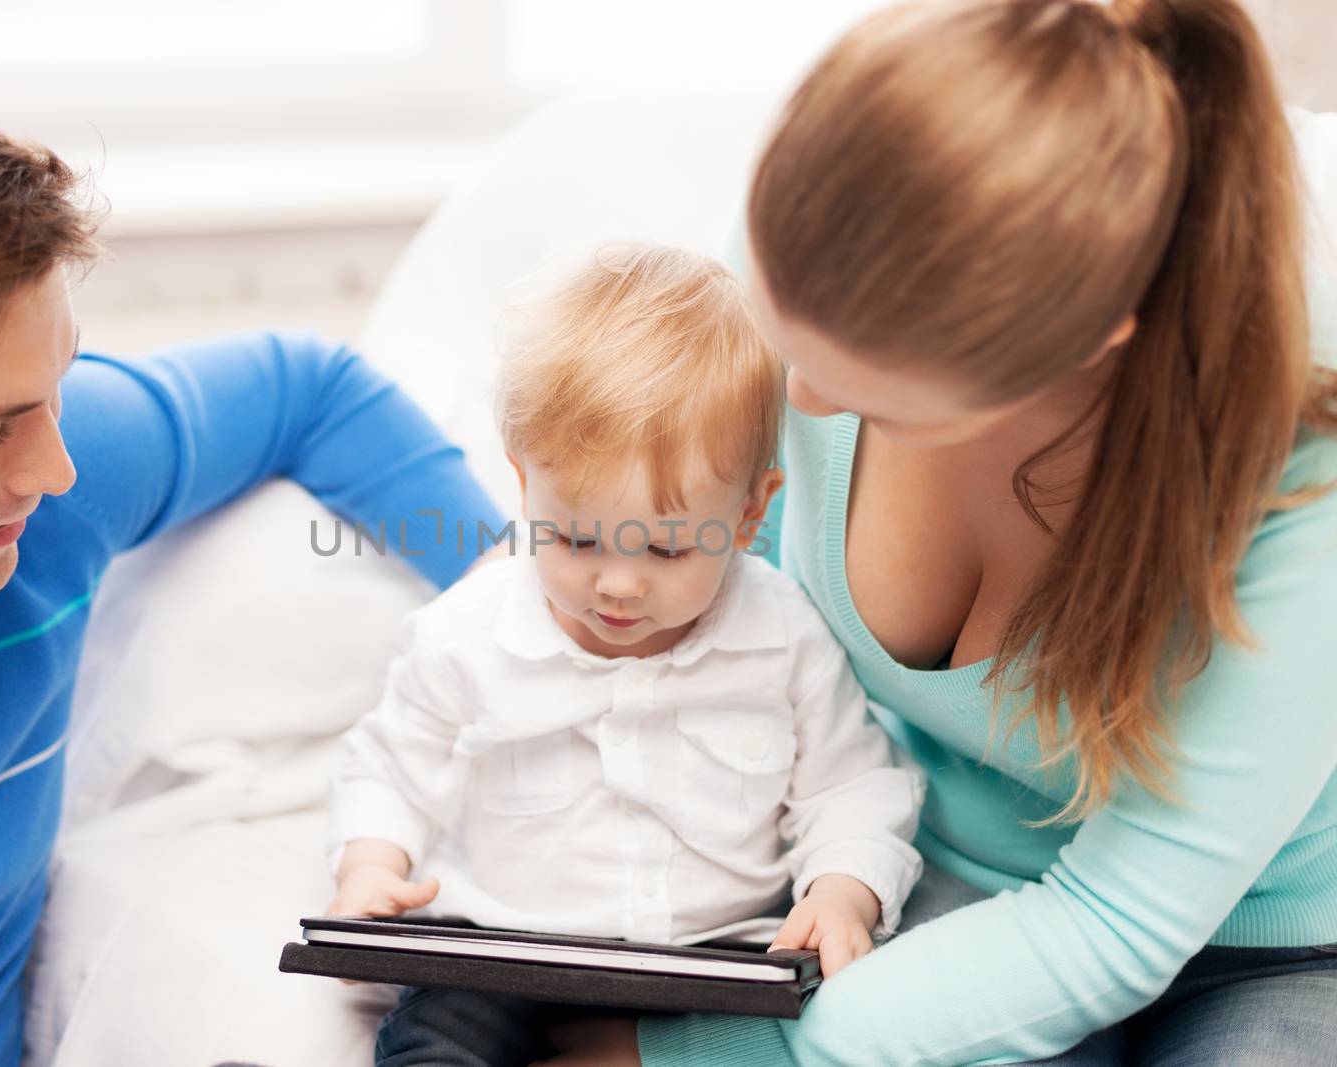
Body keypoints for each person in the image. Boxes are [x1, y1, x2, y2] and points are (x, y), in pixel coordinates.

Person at [536, 2, 1337, 1066]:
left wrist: (700, 1051)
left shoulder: (1303, 471)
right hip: (921, 879)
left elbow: (1114, 925)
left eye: (884, 404)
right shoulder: (826, 247)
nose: (803, 404)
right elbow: (722, 605)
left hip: (1264, 937)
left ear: (1092, 343)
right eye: (783, 339)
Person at [0, 56, 503, 1065]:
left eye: (56, 387)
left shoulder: (50, 478)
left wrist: (522, 615)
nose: (54, 468)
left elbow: (309, 389)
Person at [325, 247, 924, 1067]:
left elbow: (852, 784)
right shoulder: (466, 632)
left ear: (750, 515)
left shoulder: (784, 635)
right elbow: (388, 767)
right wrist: (370, 866)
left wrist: (842, 889)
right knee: (438, 1042)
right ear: (523, 485)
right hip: (503, 951)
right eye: (573, 537)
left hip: (721, 959)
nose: (616, 584)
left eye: (668, 551)